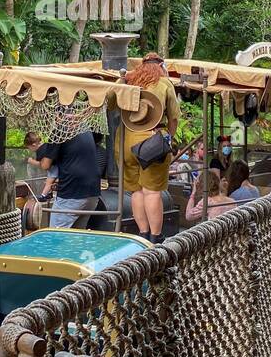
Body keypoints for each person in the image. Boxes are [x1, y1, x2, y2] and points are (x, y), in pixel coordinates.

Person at [116, 51, 181, 242]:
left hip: (127, 142)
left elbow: (111, 102)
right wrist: (169, 137)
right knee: (151, 192)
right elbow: (174, 117)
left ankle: (142, 234)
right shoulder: (164, 83)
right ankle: (155, 237)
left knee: (136, 191)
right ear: (161, 66)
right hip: (151, 143)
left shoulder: (130, 82)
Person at [38, 127, 105, 229]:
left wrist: (32, 160)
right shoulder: (85, 129)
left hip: (72, 195)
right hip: (93, 194)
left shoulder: (60, 131)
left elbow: (45, 165)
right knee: (76, 237)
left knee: (56, 237)